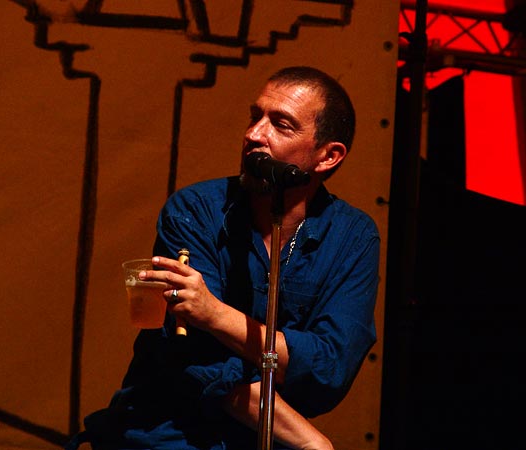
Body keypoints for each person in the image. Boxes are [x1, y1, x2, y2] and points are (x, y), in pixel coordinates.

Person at [66, 66, 380, 450]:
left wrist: (214, 315)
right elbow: (200, 360)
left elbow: (329, 367)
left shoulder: (353, 236)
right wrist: (311, 441)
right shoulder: (196, 210)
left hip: (268, 438)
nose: (254, 134)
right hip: (166, 436)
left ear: (328, 156)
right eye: (255, 117)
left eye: (280, 125)